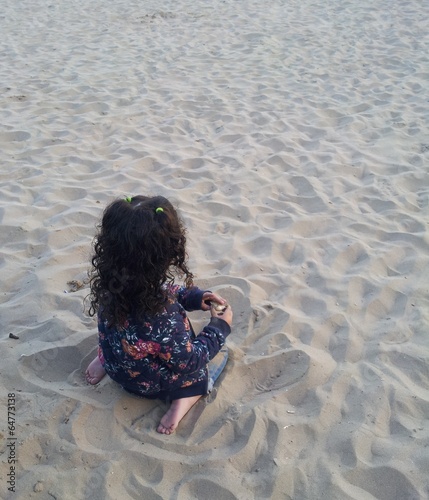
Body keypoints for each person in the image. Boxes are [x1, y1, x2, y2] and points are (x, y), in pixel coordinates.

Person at [85, 195, 233, 435]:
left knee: (116, 335)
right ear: (169, 253)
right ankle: (184, 400)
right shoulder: (163, 318)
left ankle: (102, 359)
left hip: (117, 365)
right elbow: (190, 361)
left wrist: (195, 297)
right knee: (212, 362)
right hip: (145, 385)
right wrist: (219, 327)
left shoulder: (110, 286)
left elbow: (166, 290)